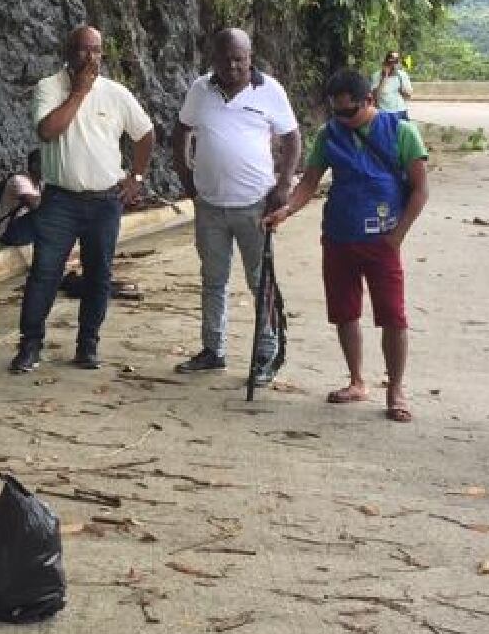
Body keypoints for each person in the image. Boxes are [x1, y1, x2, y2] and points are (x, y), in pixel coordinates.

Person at [265, 69, 430, 422]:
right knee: (344, 311)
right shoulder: (329, 135)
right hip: (339, 235)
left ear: (369, 100)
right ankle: (356, 380)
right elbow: (309, 182)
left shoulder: (402, 131)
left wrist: (398, 235)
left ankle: (396, 389)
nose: (342, 118)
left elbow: (420, 189)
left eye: (349, 111)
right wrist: (286, 211)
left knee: (393, 316)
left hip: (382, 238)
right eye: (336, 112)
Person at [11, 25, 156, 374]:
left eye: (96, 50)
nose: (90, 57)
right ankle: (30, 346)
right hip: (60, 200)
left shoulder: (116, 93)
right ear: (67, 51)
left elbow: (145, 133)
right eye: (82, 50)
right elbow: (47, 131)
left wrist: (136, 178)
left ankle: (87, 345)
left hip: (105, 201)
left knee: (99, 275)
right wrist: (78, 92)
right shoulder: (49, 87)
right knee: (45, 273)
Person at [170, 28, 301, 378]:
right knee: (213, 280)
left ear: (250, 58)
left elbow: (292, 138)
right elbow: (181, 131)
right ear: (213, 59)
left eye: (239, 59)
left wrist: (284, 185)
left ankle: (266, 354)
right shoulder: (200, 89)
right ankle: (213, 350)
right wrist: (187, 180)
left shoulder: (270, 90)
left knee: (261, 281)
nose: (232, 66)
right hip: (210, 206)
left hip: (256, 206)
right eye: (225, 59)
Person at [372, 51, 413, 119]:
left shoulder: (402, 75)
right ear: (385, 62)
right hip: (383, 111)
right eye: (391, 62)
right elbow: (374, 96)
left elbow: (408, 95)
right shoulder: (377, 76)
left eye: (396, 62)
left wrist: (402, 91)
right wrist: (384, 78)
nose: (393, 65)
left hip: (400, 110)